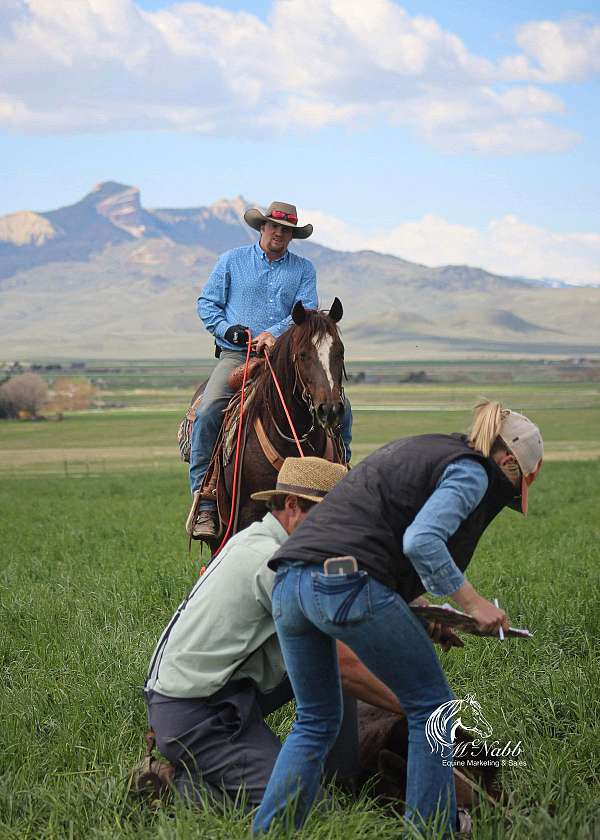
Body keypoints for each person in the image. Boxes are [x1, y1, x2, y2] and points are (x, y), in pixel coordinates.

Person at [254, 399, 544, 837]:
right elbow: (422, 541)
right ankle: (431, 832)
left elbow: (375, 539)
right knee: (435, 711)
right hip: (343, 584)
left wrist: (423, 614)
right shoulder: (470, 470)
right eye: (516, 482)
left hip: (291, 586)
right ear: (506, 460)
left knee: (315, 721)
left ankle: (270, 833)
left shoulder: (424, 449)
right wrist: (473, 603)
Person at [146, 456, 399, 808]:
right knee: (305, 811)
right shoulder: (274, 562)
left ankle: (340, 782)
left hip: (228, 693)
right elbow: (343, 662)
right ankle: (175, 787)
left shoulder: (262, 540)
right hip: (197, 714)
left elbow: (344, 623)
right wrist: (413, 705)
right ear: (293, 506)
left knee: (328, 663)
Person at [187, 201, 352, 541]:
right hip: (238, 354)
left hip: (287, 356)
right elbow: (207, 303)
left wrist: (273, 334)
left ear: (292, 235)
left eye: (286, 230)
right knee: (209, 410)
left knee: (342, 408)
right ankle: (204, 495)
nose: (279, 233)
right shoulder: (232, 261)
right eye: (273, 227)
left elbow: (305, 311)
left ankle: (341, 477)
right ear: (261, 228)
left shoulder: (303, 269)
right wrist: (228, 329)